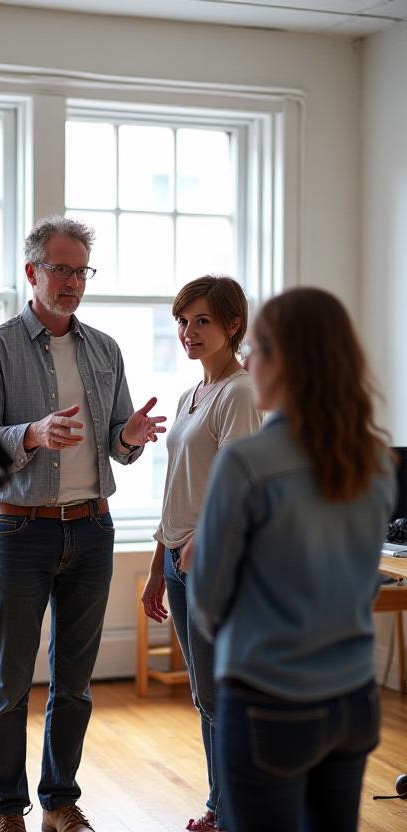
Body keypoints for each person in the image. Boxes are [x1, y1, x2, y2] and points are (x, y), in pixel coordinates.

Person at [0, 215, 166, 832]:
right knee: (8, 681)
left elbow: (119, 443)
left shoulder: (105, 348)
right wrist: (32, 433)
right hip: (19, 531)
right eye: (61, 269)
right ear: (32, 272)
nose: (73, 281)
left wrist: (128, 439)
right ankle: (6, 810)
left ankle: (58, 802)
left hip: (92, 529)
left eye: (82, 271)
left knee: (75, 682)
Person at [189, 287, 396, 832]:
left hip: (269, 701)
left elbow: (207, 602)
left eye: (256, 347)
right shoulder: (374, 458)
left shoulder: (245, 462)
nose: (248, 361)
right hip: (353, 698)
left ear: (285, 361)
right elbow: (364, 582)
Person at [141, 275, 261, 832]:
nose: (188, 332)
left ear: (232, 325)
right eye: (183, 321)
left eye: (202, 321)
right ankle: (224, 803)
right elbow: (177, 485)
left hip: (213, 563)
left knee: (221, 694)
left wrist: (196, 544)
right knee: (206, 693)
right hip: (179, 560)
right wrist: (156, 566)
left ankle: (229, 807)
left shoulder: (239, 392)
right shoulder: (191, 394)